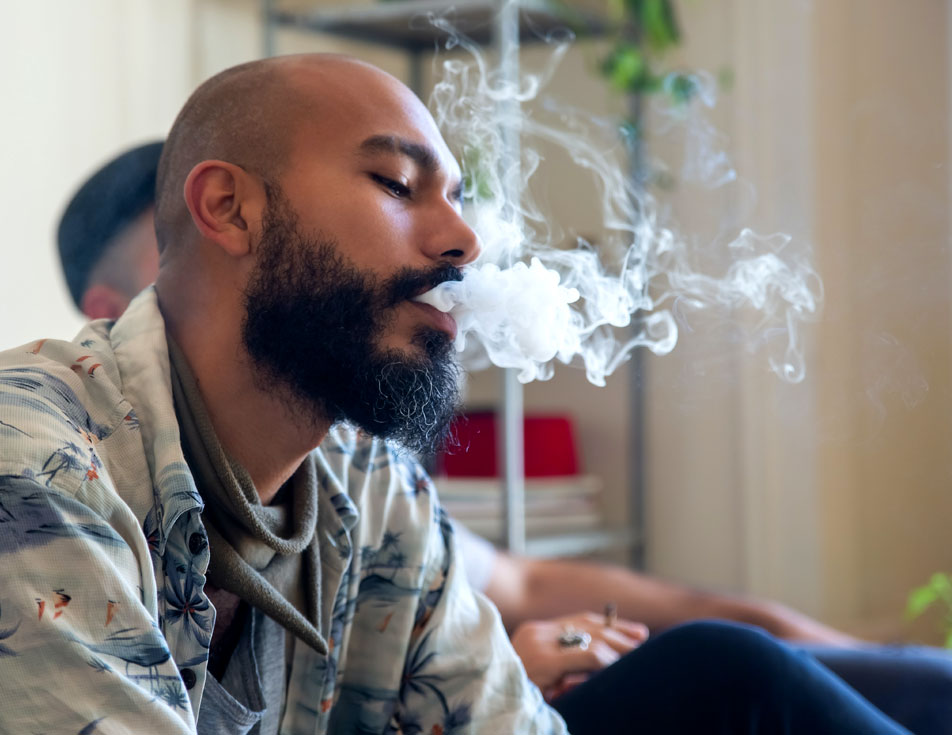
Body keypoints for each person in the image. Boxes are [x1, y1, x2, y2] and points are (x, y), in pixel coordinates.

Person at [0, 55, 911, 734]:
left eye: (458, 199)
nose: (463, 240)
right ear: (229, 209)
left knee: (727, 675)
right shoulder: (6, 469)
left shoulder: (366, 488)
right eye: (399, 184)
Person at [59, 130, 950, 731]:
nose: (456, 244)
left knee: (774, 658)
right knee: (732, 673)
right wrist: (451, 690)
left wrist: (844, 643)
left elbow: (521, 584)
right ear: (114, 306)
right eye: (394, 185)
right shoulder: (43, 479)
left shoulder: (349, 467)